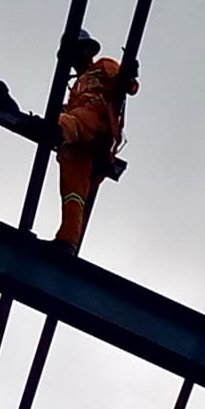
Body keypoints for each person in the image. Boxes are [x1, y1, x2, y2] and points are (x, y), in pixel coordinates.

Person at [45, 29, 139, 254]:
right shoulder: (76, 85)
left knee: (61, 123)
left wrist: (129, 74)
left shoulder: (103, 66)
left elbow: (129, 86)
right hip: (80, 142)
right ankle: (67, 241)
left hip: (95, 123)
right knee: (72, 191)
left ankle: (49, 128)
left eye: (79, 50)